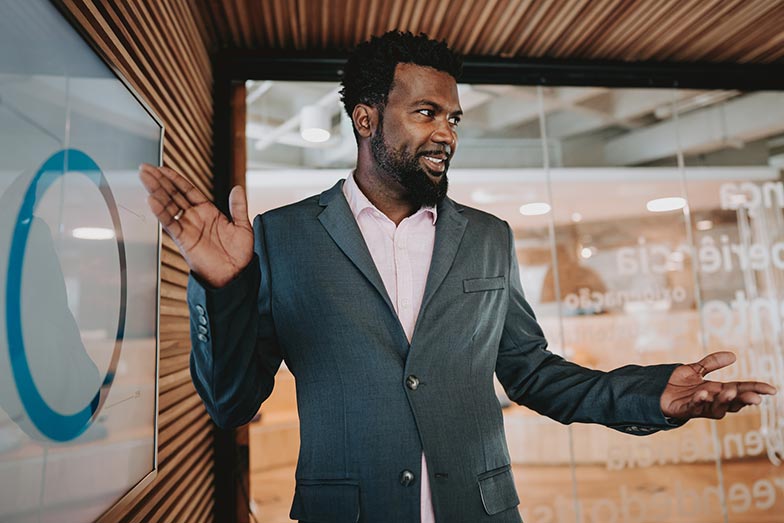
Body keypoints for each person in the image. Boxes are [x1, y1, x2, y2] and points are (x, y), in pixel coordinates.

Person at [139, 31, 777, 523]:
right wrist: (222, 288)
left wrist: (649, 394)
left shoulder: (488, 238)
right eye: (426, 113)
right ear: (366, 119)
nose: (446, 133)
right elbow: (231, 403)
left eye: (453, 118)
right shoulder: (284, 237)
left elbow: (532, 373)